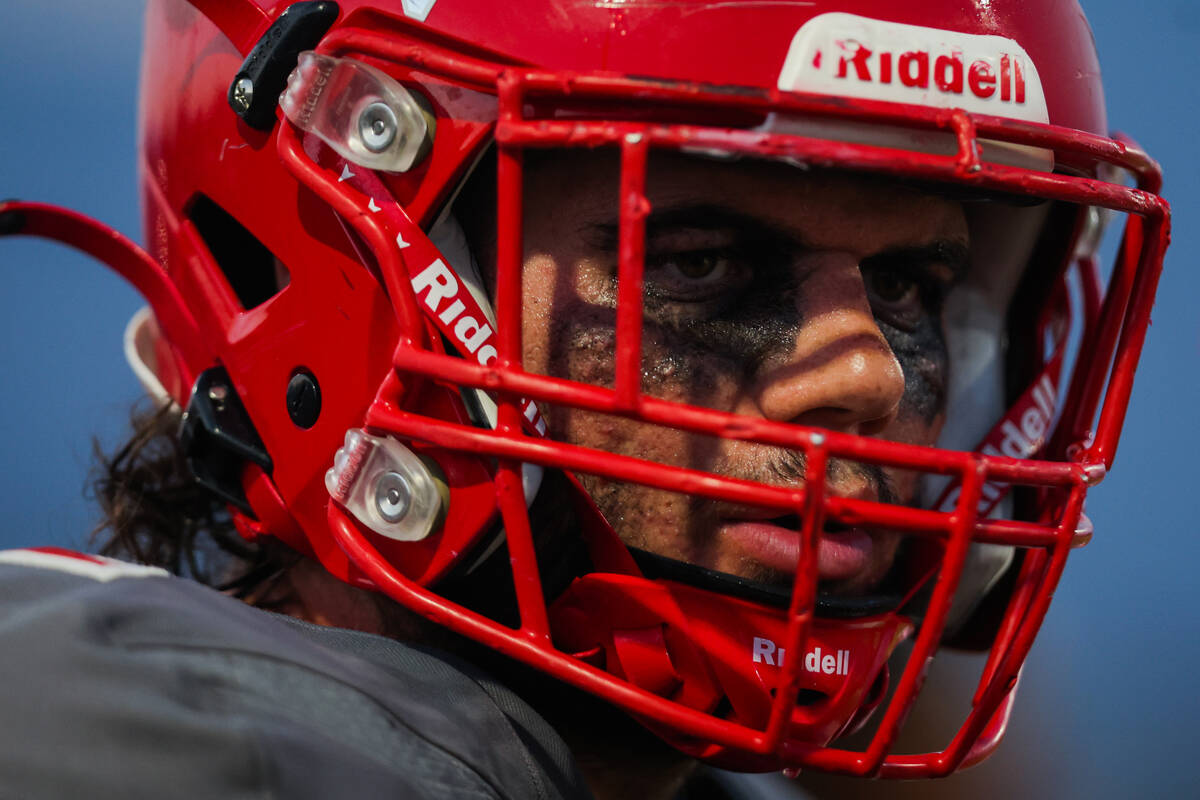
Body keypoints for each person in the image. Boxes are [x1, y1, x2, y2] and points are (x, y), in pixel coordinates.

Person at [0, 0, 1169, 797]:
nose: (867, 371)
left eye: (912, 285)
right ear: (353, 277)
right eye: (703, 263)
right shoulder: (143, 737)